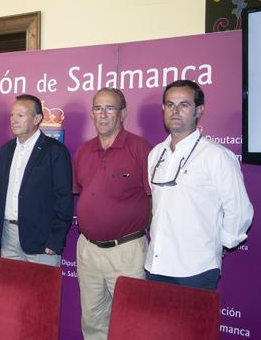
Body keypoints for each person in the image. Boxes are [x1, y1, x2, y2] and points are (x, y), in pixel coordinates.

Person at [145, 80, 253, 290]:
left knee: (190, 325)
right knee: (156, 324)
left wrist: (216, 245)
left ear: (199, 110)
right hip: (155, 267)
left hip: (195, 271)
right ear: (163, 109)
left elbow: (239, 211)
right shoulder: (156, 154)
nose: (175, 111)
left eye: (184, 105)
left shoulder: (216, 156)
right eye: (169, 104)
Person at [73, 88, 152, 340]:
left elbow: (156, 200)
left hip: (126, 252)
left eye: (110, 108)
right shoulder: (83, 150)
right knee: (93, 319)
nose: (103, 114)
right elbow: (83, 194)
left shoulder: (140, 149)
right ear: (92, 114)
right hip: (88, 250)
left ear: (123, 114)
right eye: (98, 108)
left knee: (131, 319)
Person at [0, 94, 73, 267]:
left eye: (20, 115)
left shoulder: (54, 150)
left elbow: (64, 199)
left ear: (37, 118)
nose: (14, 120)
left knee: (42, 293)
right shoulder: (7, 150)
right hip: (8, 235)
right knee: (12, 292)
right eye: (12, 115)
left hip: (41, 239)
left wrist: (55, 240)